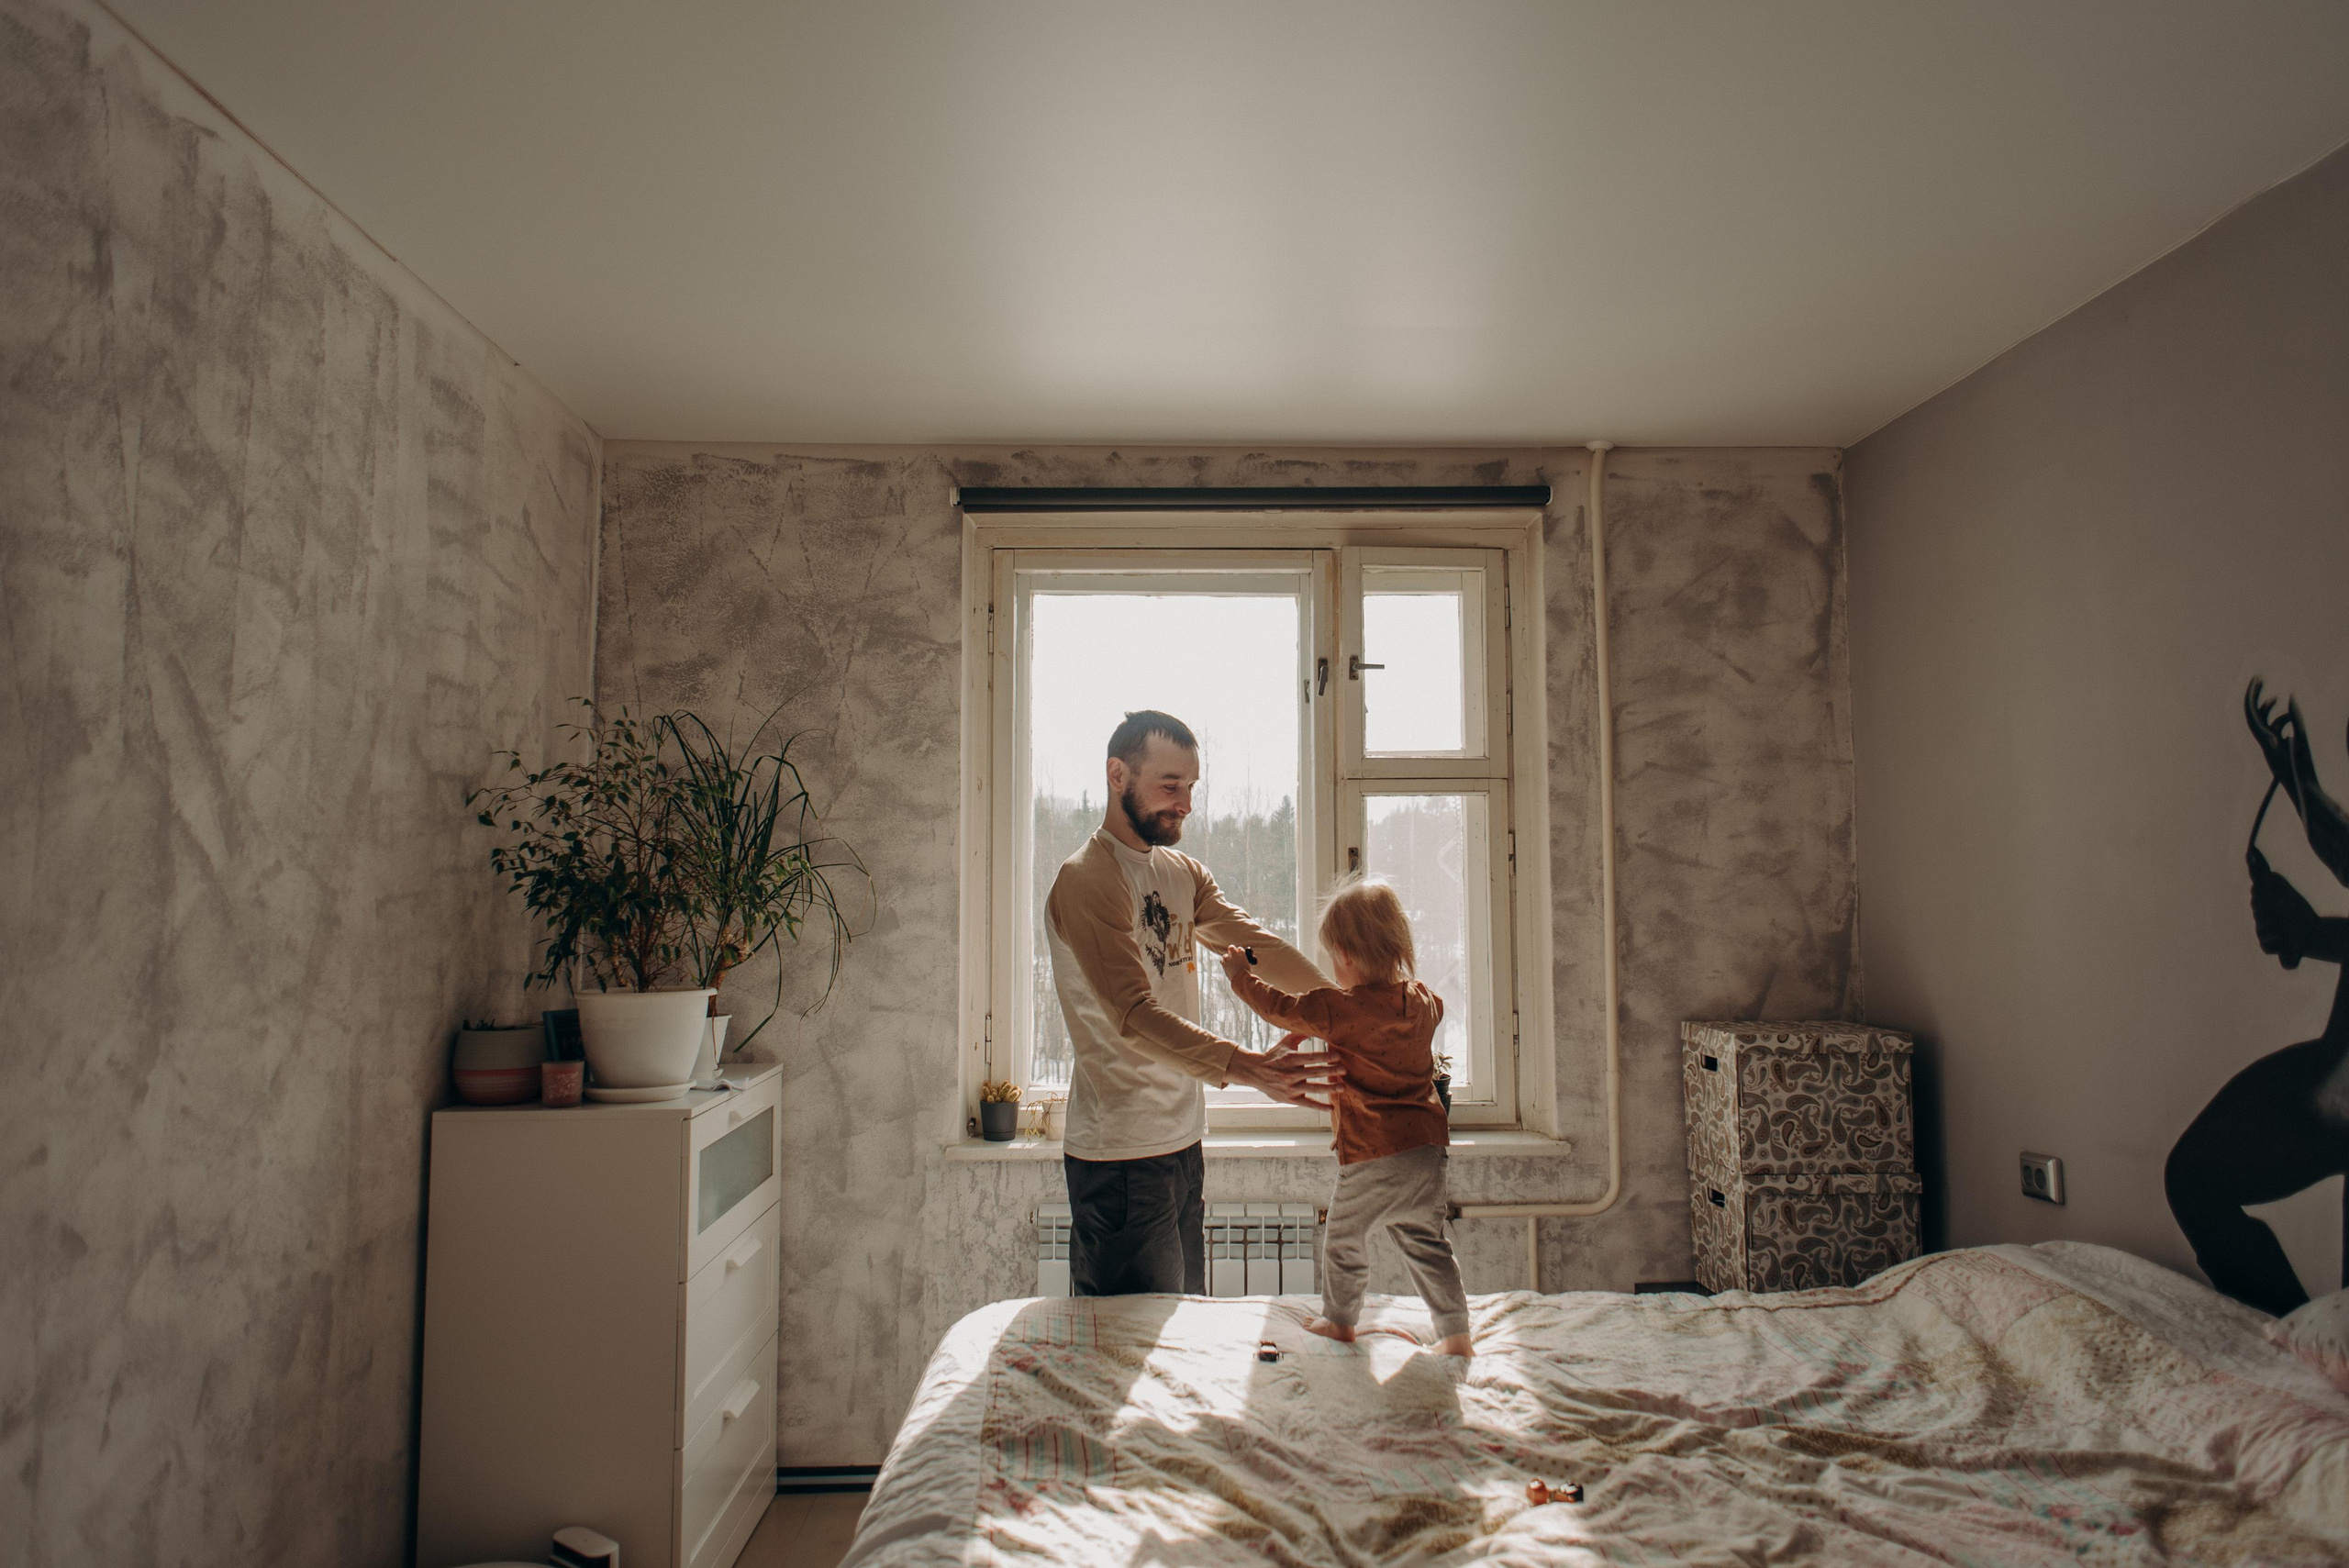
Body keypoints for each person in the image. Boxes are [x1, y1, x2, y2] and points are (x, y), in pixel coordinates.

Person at [1046, 710, 1342, 1297]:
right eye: (1170, 785)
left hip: (1182, 1144)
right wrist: (1250, 1068)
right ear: (1116, 775)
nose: (1185, 803)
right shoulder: (1087, 879)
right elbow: (1134, 1017)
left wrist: (1340, 1014)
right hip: (1121, 1158)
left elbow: (1255, 945)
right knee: (1125, 1346)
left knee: (1184, 1332)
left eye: (1192, 787)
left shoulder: (1182, 873)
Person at [1219, 877, 1473, 1356]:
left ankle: (1338, 1321)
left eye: (1333, 957)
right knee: (1427, 1243)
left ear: (1348, 956)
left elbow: (1282, 1009)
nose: (1333, 968)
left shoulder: (1338, 1008)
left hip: (1373, 1152)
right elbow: (1435, 1012)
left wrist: (1239, 976)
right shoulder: (1422, 1001)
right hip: (1426, 1150)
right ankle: (1456, 1335)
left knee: (1343, 1238)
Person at [2165, 681, 2349, 1316]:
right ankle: (2296, 1345)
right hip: (2333, 1077)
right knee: (2193, 1176)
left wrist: (2299, 783)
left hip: (2336, 1091)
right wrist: (2310, 932)